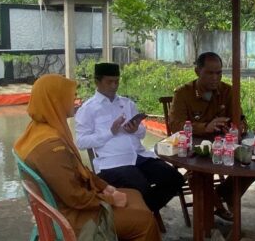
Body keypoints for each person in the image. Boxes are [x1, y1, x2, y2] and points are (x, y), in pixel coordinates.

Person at [14, 74, 171, 241]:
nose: (75, 100)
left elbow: (80, 171)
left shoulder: (42, 131)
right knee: (144, 221)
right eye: (70, 96)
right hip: (72, 218)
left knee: (135, 195)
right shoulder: (49, 147)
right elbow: (75, 197)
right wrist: (110, 200)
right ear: (55, 100)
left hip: (70, 208)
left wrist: (105, 186)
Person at [75, 62, 183, 215]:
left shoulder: (127, 103)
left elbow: (142, 133)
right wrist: (110, 132)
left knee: (175, 178)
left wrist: (135, 129)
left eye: (117, 81)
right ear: (97, 82)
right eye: (109, 82)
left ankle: (143, 213)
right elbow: (81, 142)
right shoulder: (88, 109)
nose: (114, 86)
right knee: (142, 188)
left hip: (139, 156)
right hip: (112, 163)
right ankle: (145, 216)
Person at [169, 52, 248, 220]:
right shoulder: (183, 93)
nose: (215, 78)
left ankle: (225, 193)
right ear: (198, 71)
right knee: (198, 174)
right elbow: (175, 125)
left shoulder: (227, 91)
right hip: (195, 148)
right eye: (210, 73)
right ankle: (214, 211)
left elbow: (240, 120)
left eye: (219, 73)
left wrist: (238, 128)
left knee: (249, 162)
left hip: (223, 145)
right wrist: (205, 127)